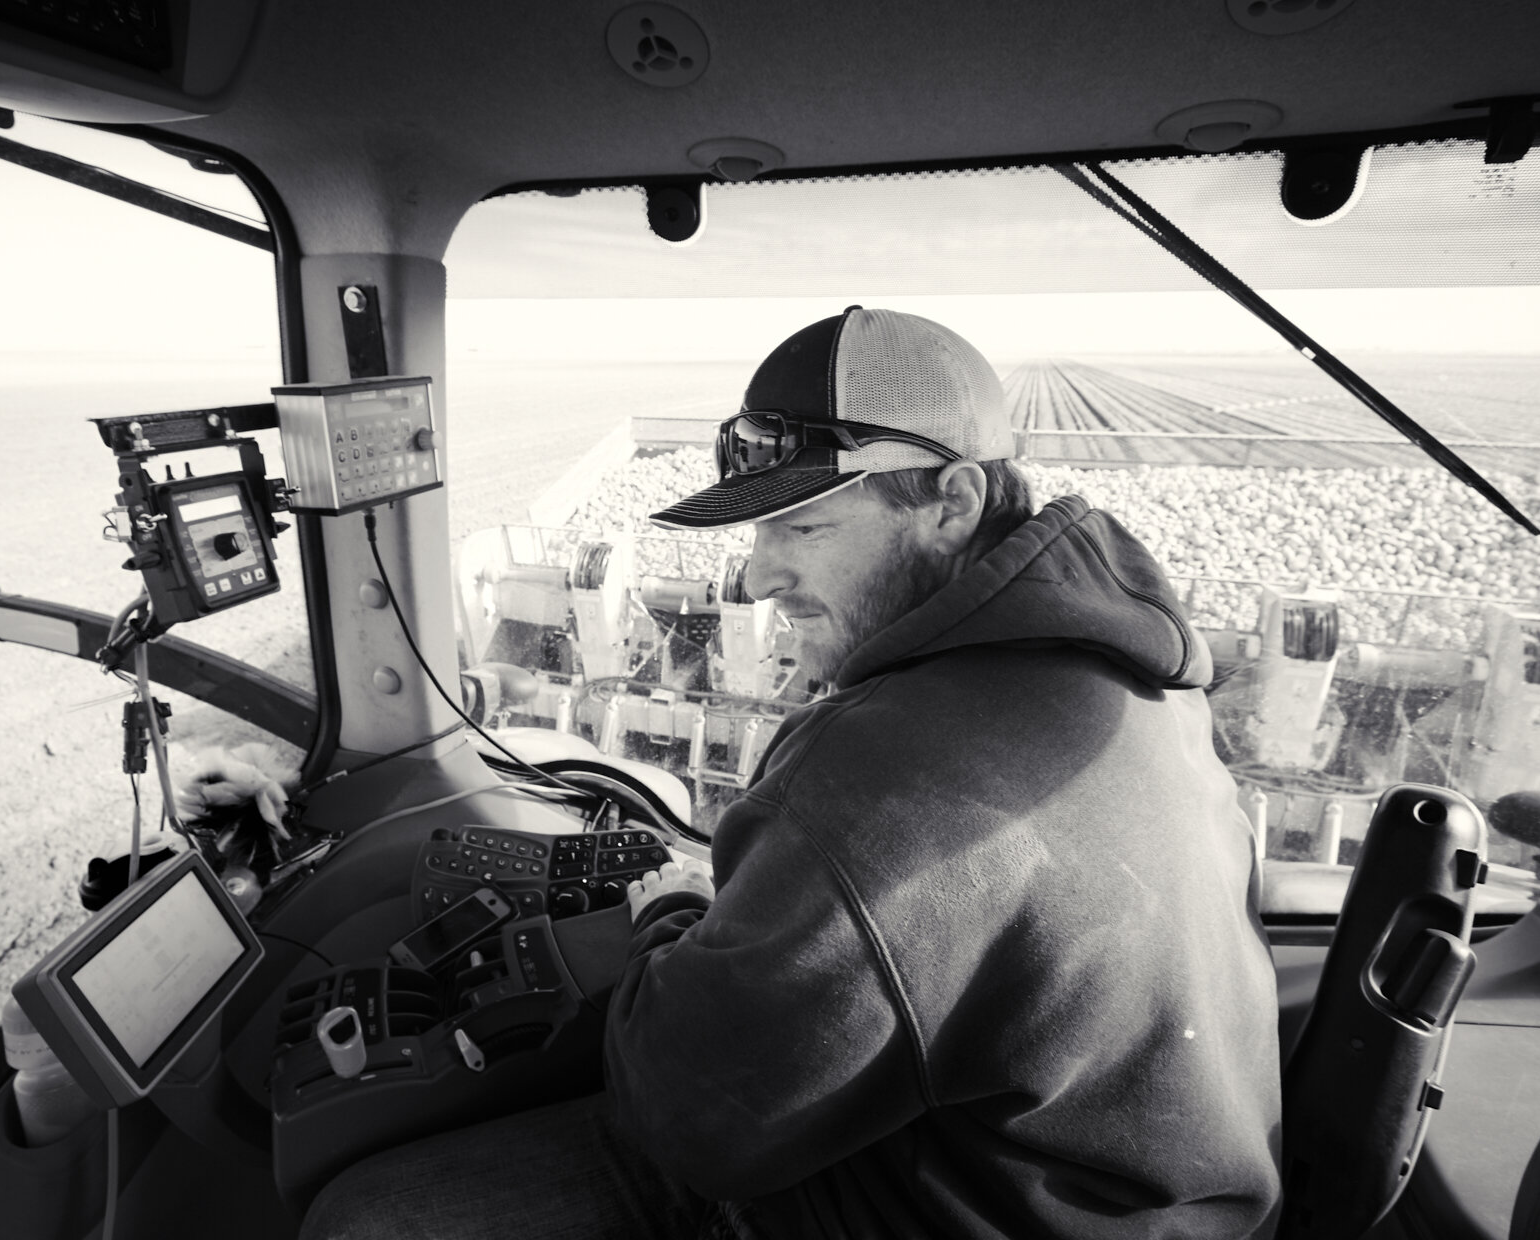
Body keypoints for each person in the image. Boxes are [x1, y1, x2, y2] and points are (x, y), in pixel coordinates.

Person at [303, 307, 1283, 1239]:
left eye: (802, 528)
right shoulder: (1141, 681)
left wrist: (666, 911)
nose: (758, 576)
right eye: (758, 529)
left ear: (952, 504)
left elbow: (687, 1119)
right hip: (1126, 1202)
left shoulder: (887, 765)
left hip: (945, 1211)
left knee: (365, 1218)